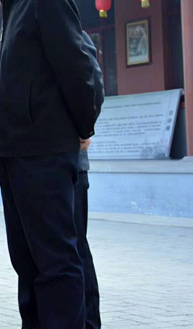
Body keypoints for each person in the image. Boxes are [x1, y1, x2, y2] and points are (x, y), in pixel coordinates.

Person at [0, 0, 99, 329]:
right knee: (27, 262)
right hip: (16, 151)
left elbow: (79, 68)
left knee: (55, 263)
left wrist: (82, 128)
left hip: (44, 153)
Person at [77, 31, 105, 329]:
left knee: (75, 245)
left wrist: (85, 128)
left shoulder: (72, 33)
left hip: (71, 163)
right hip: (44, 162)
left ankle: (89, 321)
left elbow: (93, 83)